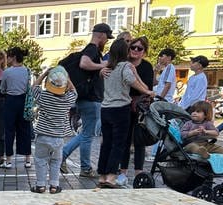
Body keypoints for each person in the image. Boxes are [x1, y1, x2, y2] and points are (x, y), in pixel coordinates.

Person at [97, 39, 155, 188]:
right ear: (125, 51)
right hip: (120, 108)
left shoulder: (108, 67)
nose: (134, 50)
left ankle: (102, 175)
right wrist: (147, 91)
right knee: (118, 144)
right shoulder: (124, 66)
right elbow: (132, 81)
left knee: (106, 144)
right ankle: (111, 176)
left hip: (106, 108)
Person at [60, 23, 113, 178]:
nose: (106, 41)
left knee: (86, 133)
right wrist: (101, 65)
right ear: (101, 35)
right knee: (87, 135)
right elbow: (84, 63)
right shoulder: (92, 49)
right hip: (90, 98)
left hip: (84, 97)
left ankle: (72, 159)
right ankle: (83, 166)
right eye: (106, 38)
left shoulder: (90, 49)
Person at [30, 66, 77, 194]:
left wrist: (45, 73)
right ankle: (54, 186)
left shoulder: (44, 97)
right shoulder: (67, 100)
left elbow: (33, 87)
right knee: (56, 161)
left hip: (43, 136)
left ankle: (40, 185)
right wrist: (66, 78)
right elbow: (74, 92)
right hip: (58, 138)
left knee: (40, 160)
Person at [117, 36, 154, 186]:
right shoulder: (122, 64)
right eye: (133, 47)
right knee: (125, 139)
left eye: (140, 48)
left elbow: (147, 87)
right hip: (124, 104)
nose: (136, 51)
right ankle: (123, 172)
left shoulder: (146, 66)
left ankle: (139, 172)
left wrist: (135, 74)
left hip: (140, 105)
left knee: (139, 139)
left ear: (144, 52)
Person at [0, 47, 32, 169]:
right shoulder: (27, 70)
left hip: (10, 101)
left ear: (12, 57)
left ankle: (8, 160)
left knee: (9, 131)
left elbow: (2, 89)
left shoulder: (7, 72)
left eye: (8, 56)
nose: (6, 59)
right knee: (25, 130)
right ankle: (27, 159)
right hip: (23, 101)